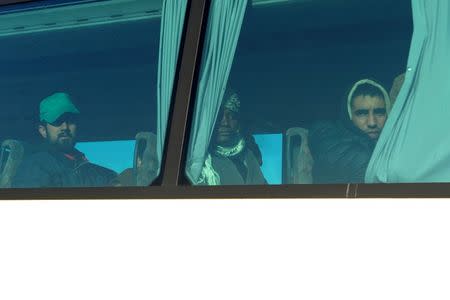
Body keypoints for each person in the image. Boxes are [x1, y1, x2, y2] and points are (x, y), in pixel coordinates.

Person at [12, 92, 117, 188]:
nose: (65, 127)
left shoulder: (97, 173)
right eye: (57, 121)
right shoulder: (35, 167)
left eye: (70, 120)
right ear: (43, 130)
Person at [309, 79, 391, 183]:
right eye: (362, 113)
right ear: (349, 116)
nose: (372, 122)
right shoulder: (335, 144)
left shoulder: (392, 145)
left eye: (379, 113)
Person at [197, 91, 266, 185]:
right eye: (218, 116)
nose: (225, 122)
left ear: (238, 124)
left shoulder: (248, 155)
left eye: (232, 116)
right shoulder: (200, 160)